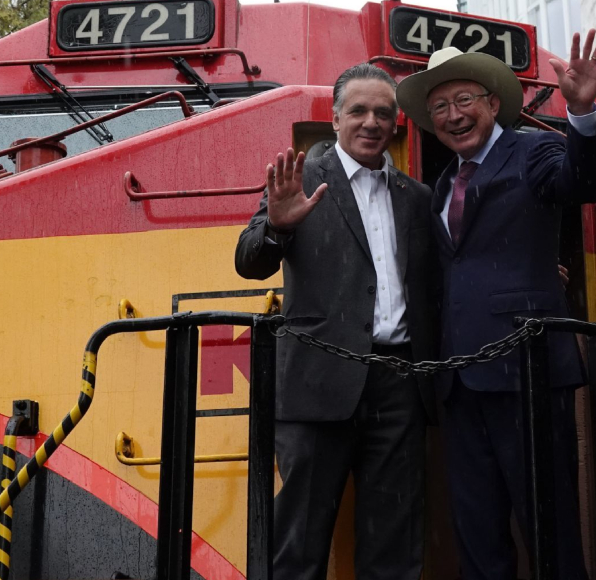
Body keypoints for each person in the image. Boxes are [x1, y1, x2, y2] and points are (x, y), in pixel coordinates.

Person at [395, 31, 596, 580]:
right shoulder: (442, 184)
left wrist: (581, 112)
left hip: (528, 375)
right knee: (478, 537)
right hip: (460, 385)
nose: (453, 114)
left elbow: (582, 182)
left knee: (551, 529)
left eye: (464, 100)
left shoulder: (534, 150)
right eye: (440, 106)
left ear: (493, 104)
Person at [234, 63, 439, 580]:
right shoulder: (300, 180)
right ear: (334, 118)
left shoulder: (418, 198)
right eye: (359, 111)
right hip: (316, 383)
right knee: (297, 544)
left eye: (383, 113)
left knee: (395, 542)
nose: (372, 122)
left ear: (396, 123)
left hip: (399, 386)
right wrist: (277, 228)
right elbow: (248, 260)